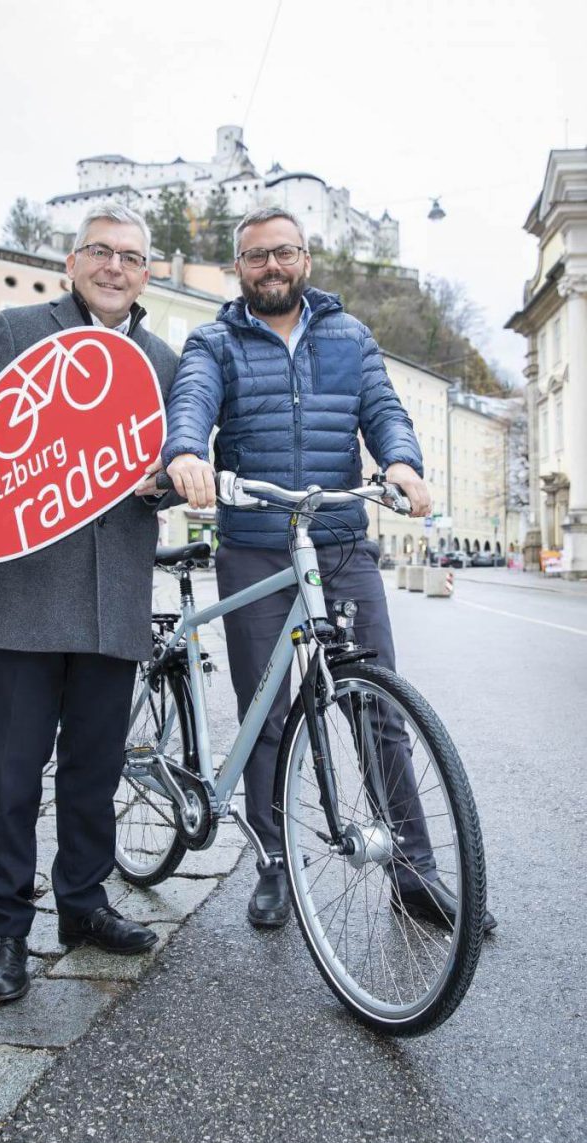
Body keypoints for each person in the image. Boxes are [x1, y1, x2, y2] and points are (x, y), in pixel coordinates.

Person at [163, 206, 495, 933]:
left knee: (378, 708)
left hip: (340, 542)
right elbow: (190, 404)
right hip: (253, 543)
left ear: (307, 259)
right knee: (268, 714)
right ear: (238, 268)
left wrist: (402, 462)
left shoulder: (350, 337)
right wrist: (186, 453)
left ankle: (416, 869)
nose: (271, 266)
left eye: (284, 253)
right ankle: (276, 862)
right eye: (256, 257)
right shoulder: (214, 340)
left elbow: (383, 411)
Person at [0, 204, 178, 1004]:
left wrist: (162, 482)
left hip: (117, 595)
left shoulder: (163, 360)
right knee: (15, 774)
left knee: (95, 775)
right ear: (72, 260)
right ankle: (4, 930)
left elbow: (170, 471)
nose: (114, 267)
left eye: (130, 256)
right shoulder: (19, 328)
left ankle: (84, 905)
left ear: (147, 272)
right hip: (28, 591)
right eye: (100, 251)